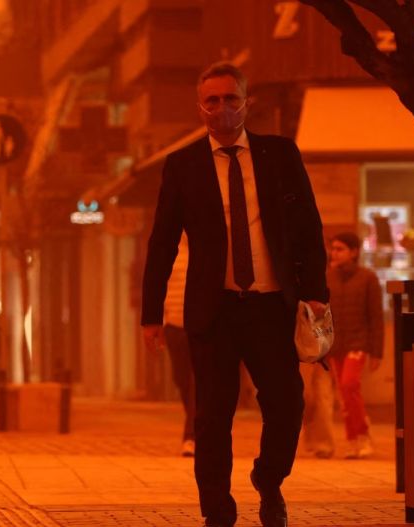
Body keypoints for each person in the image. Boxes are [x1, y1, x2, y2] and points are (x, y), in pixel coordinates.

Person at [141, 62, 328, 527]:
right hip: (214, 310)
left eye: (230, 98)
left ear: (247, 102)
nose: (222, 108)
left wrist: (317, 292)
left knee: (287, 403)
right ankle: (218, 513)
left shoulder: (280, 155)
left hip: (271, 306)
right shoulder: (182, 165)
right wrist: (151, 313)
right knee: (212, 419)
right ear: (200, 107)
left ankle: (268, 480)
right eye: (212, 100)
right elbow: (162, 241)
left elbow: (308, 227)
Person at [303, 232, 383, 459]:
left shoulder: (368, 278)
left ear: (354, 252)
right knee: (344, 394)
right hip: (335, 345)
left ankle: (363, 435)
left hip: (359, 343)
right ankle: (354, 439)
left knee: (349, 385)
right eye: (333, 248)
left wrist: (377, 352)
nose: (334, 253)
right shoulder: (328, 278)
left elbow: (376, 317)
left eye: (340, 249)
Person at [162, 236, 196, 457]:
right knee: (181, 380)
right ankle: (194, 420)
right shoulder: (171, 256)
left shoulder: (208, 253)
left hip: (199, 326)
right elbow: (161, 290)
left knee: (197, 382)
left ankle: (191, 436)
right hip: (173, 325)